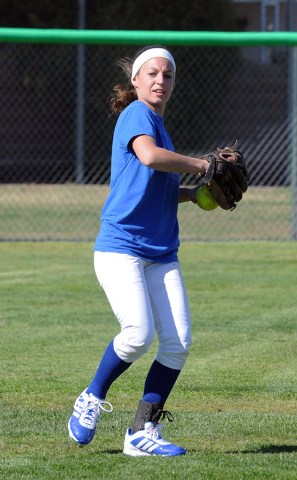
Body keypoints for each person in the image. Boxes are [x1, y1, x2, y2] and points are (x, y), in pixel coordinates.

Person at [68, 45, 209, 457]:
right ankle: (91, 397)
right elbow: (148, 158)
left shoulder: (161, 127)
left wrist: (196, 196)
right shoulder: (137, 115)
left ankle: (141, 433)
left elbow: (158, 183)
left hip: (161, 251)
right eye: (152, 73)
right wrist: (202, 165)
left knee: (177, 343)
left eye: (167, 75)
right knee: (137, 335)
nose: (160, 81)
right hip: (121, 248)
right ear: (136, 80)